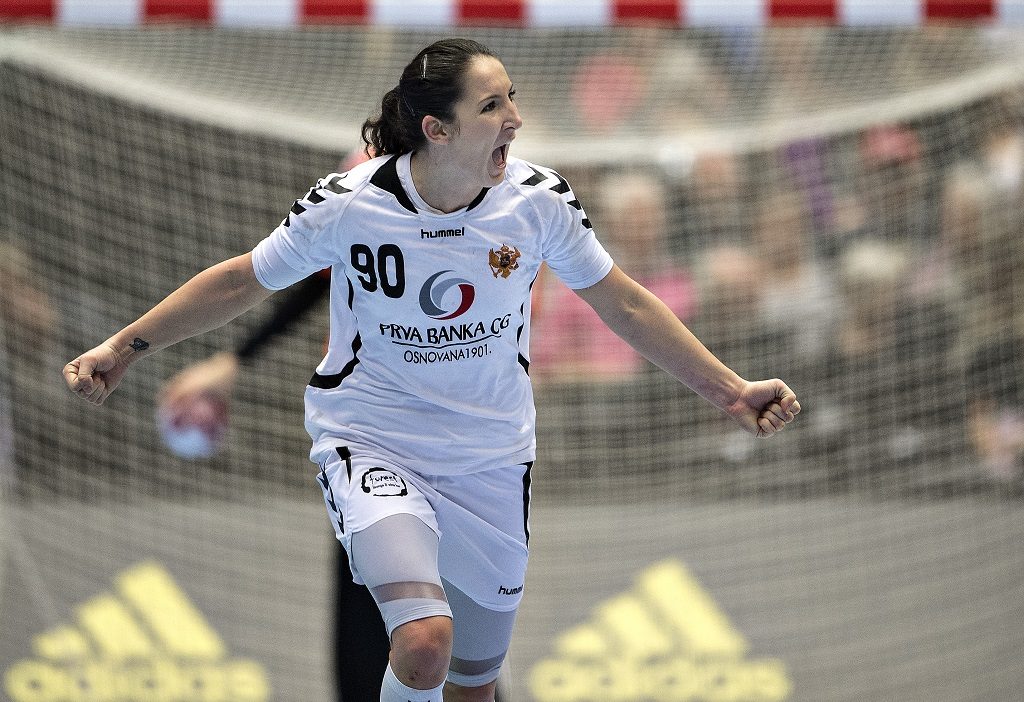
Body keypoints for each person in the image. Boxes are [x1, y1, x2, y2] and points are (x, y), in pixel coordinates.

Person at [64, 38, 800, 702]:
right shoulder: (352, 204)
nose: (514, 116)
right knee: (423, 646)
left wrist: (731, 390)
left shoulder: (539, 204)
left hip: (491, 458)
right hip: (373, 440)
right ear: (436, 130)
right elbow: (238, 281)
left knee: (474, 689)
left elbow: (627, 306)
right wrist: (122, 348)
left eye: (511, 96)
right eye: (491, 104)